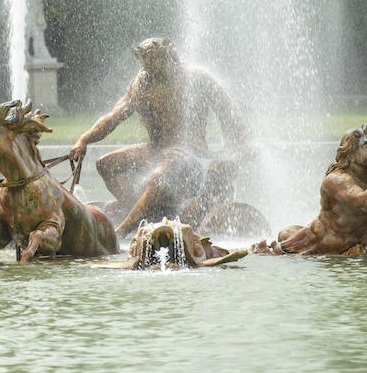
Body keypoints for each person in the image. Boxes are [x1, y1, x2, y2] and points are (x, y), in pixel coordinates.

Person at [69, 37, 251, 237]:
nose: (147, 67)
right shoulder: (141, 84)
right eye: (144, 62)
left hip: (191, 152)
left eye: (152, 60)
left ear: (166, 56)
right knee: (105, 164)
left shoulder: (196, 78)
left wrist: (236, 151)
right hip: (157, 149)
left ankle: (121, 232)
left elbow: (228, 112)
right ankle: (146, 213)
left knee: (157, 178)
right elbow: (113, 117)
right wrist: (84, 139)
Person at [254, 123, 367, 256]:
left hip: (354, 249)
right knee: (272, 254)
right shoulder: (336, 181)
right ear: (351, 153)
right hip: (315, 248)